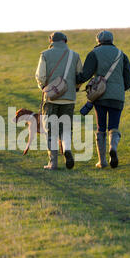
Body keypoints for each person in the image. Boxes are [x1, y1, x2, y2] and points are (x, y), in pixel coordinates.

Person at [77, 30, 130, 168]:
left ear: (98, 41)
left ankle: (102, 161)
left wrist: (76, 80)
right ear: (112, 40)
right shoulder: (122, 54)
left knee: (101, 126)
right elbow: (129, 79)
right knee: (114, 126)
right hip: (117, 97)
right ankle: (112, 148)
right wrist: (120, 89)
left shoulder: (94, 53)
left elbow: (85, 75)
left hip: (100, 96)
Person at [35, 32, 83, 170]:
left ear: (51, 41)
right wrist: (74, 88)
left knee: (51, 130)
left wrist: (44, 88)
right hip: (68, 98)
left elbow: (40, 76)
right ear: (65, 41)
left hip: (50, 98)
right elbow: (80, 75)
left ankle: (53, 163)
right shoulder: (75, 55)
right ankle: (67, 150)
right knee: (66, 128)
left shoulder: (45, 54)